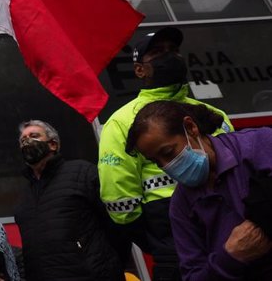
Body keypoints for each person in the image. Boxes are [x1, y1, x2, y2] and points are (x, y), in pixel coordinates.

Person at [97, 26, 233, 280]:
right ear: (139, 70)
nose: (169, 56)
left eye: (173, 51)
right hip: (171, 236)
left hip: (227, 224)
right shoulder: (122, 121)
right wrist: (157, 239)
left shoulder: (214, 114)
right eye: (158, 53)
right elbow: (118, 198)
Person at [125, 100, 272, 280]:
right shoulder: (181, 206)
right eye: (156, 162)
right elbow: (193, 275)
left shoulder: (259, 145)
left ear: (191, 127)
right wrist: (230, 257)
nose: (166, 166)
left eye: (169, 152)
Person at [14, 120, 123, 281]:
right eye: (23, 140)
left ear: (53, 144)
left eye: (34, 136)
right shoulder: (25, 196)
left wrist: (106, 267)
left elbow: (116, 225)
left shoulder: (82, 173)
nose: (27, 142)